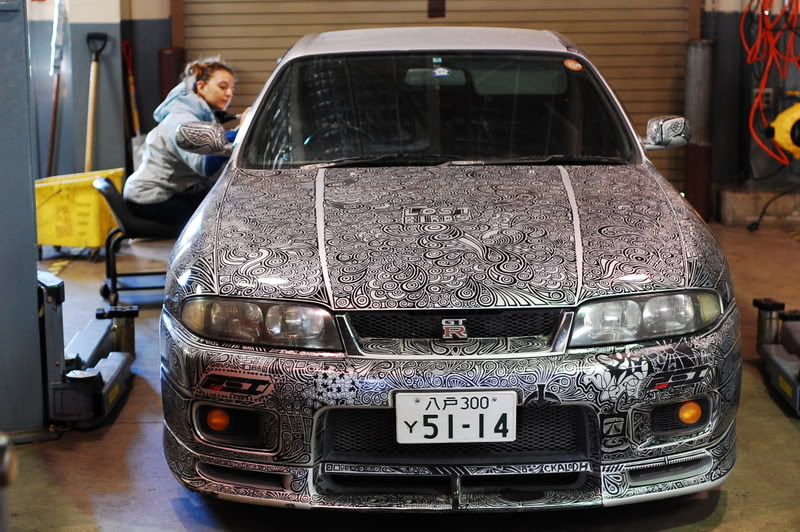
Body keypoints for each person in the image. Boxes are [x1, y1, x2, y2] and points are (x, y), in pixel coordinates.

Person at [123, 57, 239, 229]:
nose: (229, 93)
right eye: (223, 87)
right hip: (150, 198)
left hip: (174, 191)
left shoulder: (198, 116)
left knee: (226, 204)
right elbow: (204, 165)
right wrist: (237, 134)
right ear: (201, 86)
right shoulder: (182, 119)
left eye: (231, 88)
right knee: (215, 221)